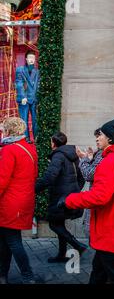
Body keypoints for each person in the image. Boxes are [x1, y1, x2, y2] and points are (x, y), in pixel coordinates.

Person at [59, 119, 114, 284]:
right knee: (99, 274)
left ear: (111, 138)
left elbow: (99, 196)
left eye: (101, 134)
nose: (97, 137)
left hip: (110, 231)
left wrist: (70, 200)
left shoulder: (110, 162)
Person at [35, 132, 87, 263]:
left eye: (51, 141)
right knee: (59, 223)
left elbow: (50, 176)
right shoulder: (73, 154)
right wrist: (75, 190)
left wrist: (34, 189)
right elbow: (81, 176)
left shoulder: (58, 155)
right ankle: (62, 254)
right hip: (69, 195)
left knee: (54, 224)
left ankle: (77, 245)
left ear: (53, 143)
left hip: (59, 196)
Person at [0, 117, 38, 284]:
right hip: (23, 199)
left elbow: (2, 180)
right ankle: (2, 274)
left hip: (10, 202)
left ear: (9, 131)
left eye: (3, 129)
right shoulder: (28, 147)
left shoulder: (9, 150)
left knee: (13, 241)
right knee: (5, 240)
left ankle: (28, 275)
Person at [76, 128, 104, 238]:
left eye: (99, 136)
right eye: (96, 137)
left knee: (93, 233)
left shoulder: (103, 154)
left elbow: (89, 174)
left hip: (98, 197)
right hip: (97, 196)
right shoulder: (101, 152)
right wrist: (90, 158)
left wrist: (84, 159)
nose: (97, 140)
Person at [15, 50, 40, 140]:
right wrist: (22, 97)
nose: (31, 59)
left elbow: (38, 85)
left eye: (33, 58)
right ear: (26, 59)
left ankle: (36, 138)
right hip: (24, 100)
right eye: (29, 57)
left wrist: (38, 98)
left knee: (35, 121)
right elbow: (19, 84)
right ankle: (26, 139)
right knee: (24, 120)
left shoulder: (37, 71)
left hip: (34, 100)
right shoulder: (20, 70)